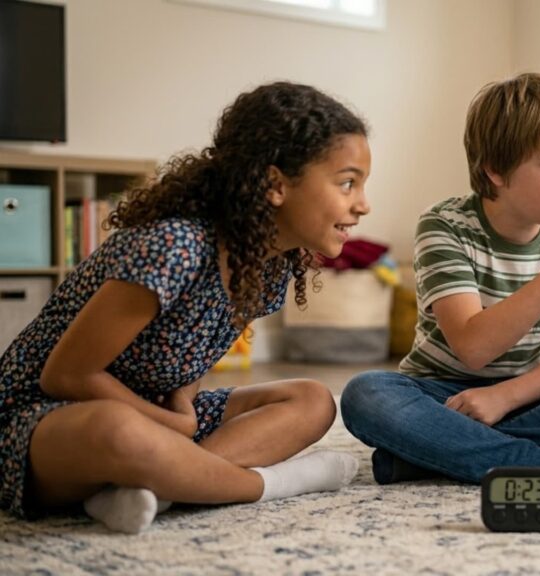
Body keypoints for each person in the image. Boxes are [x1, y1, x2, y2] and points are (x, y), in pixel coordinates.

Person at [0, 81, 372, 533]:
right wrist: (173, 424)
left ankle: (159, 487)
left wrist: (182, 401)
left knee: (312, 399)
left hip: (156, 415)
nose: (363, 205)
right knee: (119, 429)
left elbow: (194, 354)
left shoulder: (270, 266)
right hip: (44, 419)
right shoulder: (174, 246)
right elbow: (65, 376)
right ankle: (267, 483)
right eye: (348, 183)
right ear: (276, 184)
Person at [341, 72, 540, 487]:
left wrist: (503, 397)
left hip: (529, 395)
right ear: (495, 171)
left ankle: (434, 458)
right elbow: (474, 348)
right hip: (441, 396)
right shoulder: (443, 225)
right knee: (367, 395)